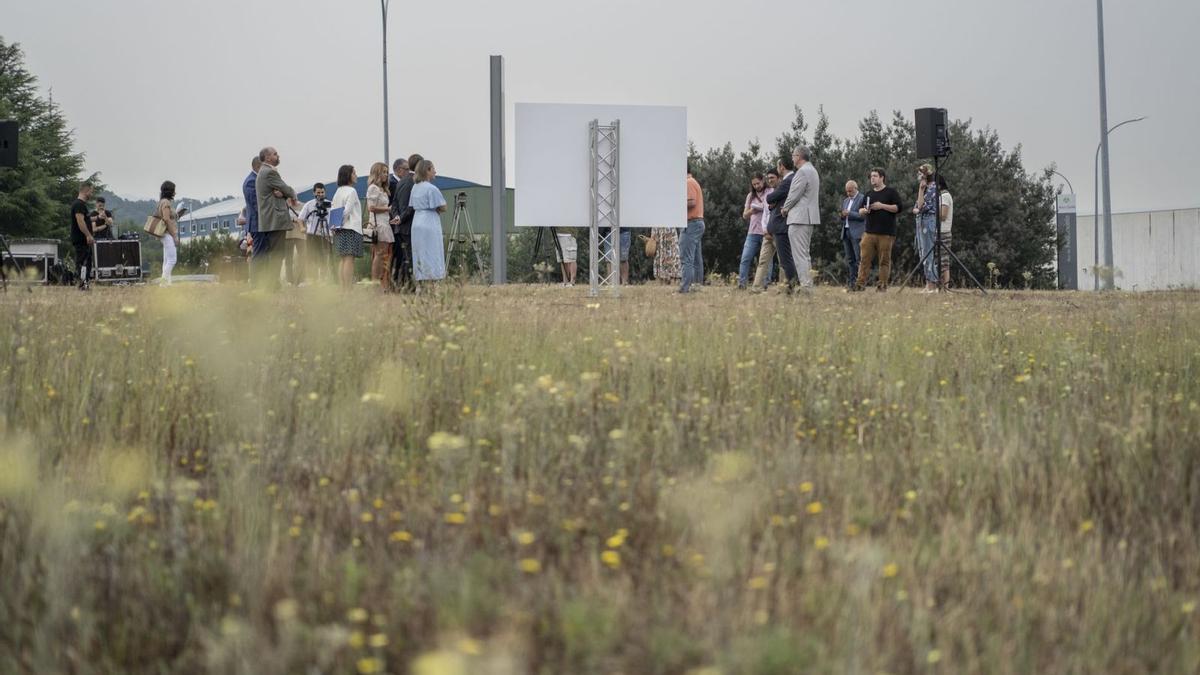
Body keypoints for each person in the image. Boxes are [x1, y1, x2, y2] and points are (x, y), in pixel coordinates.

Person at [254, 147, 300, 290]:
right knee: (277, 253)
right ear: (267, 158)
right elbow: (285, 188)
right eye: (275, 154)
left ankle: (270, 284)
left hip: (268, 220)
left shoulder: (262, 172)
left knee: (272, 252)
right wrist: (291, 194)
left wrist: (283, 194)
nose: (278, 156)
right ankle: (272, 285)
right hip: (275, 219)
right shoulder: (270, 172)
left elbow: (281, 191)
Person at [855, 168, 903, 292]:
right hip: (869, 232)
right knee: (864, 259)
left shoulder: (891, 192)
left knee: (884, 261)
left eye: (875, 176)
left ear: (882, 177)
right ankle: (860, 285)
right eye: (871, 176)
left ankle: (882, 286)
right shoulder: (868, 194)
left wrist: (882, 206)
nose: (872, 178)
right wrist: (863, 211)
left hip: (886, 234)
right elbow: (860, 210)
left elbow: (898, 208)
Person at [781, 146, 821, 288]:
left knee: (799, 255)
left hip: (799, 218)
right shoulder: (813, 171)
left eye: (793, 155)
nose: (792, 158)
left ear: (799, 156)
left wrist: (785, 208)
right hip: (809, 217)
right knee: (805, 254)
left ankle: (806, 286)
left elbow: (794, 194)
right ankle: (807, 285)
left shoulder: (802, 172)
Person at [409, 159, 448, 283]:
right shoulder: (431, 188)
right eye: (433, 169)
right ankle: (432, 278)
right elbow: (443, 207)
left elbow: (411, 205)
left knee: (420, 251)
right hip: (429, 221)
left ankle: (420, 278)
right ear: (427, 170)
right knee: (433, 250)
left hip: (417, 221)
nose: (435, 171)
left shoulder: (415, 187)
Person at [765, 157, 798, 289]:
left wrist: (772, 200)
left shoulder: (787, 181)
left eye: (778, 167)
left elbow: (770, 198)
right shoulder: (793, 179)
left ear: (782, 167)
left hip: (781, 226)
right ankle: (793, 285)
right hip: (783, 225)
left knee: (786, 260)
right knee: (787, 259)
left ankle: (792, 286)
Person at [390, 153, 421, 290]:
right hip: (409, 225)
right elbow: (412, 205)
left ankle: (399, 284)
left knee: (404, 257)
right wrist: (401, 218)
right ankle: (409, 287)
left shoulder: (401, 181)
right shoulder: (414, 182)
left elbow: (395, 203)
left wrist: (397, 217)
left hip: (400, 226)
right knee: (410, 257)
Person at [330, 165, 363, 291]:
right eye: (354, 173)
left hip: (338, 228)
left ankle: (343, 288)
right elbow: (347, 210)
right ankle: (348, 289)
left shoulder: (338, 191)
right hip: (350, 228)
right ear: (348, 175)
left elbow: (334, 209)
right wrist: (341, 221)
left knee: (343, 259)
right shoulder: (352, 191)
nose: (356, 176)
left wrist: (335, 224)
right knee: (349, 259)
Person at [737, 173, 770, 289]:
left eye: (758, 183)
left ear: (763, 181)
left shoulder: (770, 192)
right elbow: (744, 215)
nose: (756, 186)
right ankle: (742, 284)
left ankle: (765, 285)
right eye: (754, 184)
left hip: (767, 231)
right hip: (753, 231)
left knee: (766, 261)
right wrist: (752, 211)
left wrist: (763, 206)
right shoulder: (750, 196)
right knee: (745, 258)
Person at [367, 162, 394, 292]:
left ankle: (383, 283)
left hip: (385, 223)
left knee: (384, 255)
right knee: (379, 254)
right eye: (383, 172)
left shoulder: (383, 189)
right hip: (378, 225)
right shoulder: (373, 188)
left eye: (387, 172)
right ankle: (375, 284)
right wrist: (387, 209)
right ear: (377, 173)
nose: (386, 175)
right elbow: (371, 208)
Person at [911, 163, 939, 292]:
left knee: (928, 252)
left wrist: (921, 190)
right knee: (923, 253)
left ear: (926, 174)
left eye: (921, 172)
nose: (918, 175)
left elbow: (920, 206)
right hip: (921, 221)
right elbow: (917, 206)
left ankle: (933, 284)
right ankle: (928, 284)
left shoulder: (933, 187)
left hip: (928, 221)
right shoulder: (924, 187)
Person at [298, 183, 333, 284]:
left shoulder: (330, 204)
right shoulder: (309, 204)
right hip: (312, 234)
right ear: (314, 193)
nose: (320, 194)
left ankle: (323, 279)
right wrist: (302, 227)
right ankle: (312, 279)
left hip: (326, 235)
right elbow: (300, 218)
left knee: (325, 257)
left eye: (322, 192)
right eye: (318, 192)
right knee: (311, 257)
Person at [753, 169, 780, 289]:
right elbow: (765, 214)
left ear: (779, 178)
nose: (770, 180)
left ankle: (783, 288)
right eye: (768, 178)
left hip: (779, 233)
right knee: (762, 261)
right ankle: (756, 287)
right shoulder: (768, 195)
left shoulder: (783, 192)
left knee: (783, 262)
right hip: (767, 234)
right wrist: (765, 230)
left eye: (772, 177)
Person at [679, 165, 705, 293]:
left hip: (691, 223)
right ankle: (697, 285)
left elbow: (691, 202)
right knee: (695, 258)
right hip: (698, 222)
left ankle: (685, 288)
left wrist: (676, 202)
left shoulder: (688, 182)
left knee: (686, 257)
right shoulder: (693, 182)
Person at [838, 180, 867, 290]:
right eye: (847, 191)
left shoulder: (862, 198)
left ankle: (860, 283)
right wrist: (842, 215)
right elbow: (842, 214)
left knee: (859, 258)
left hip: (857, 233)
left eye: (850, 191)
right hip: (846, 232)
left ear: (855, 188)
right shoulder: (845, 201)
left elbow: (863, 216)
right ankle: (851, 283)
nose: (848, 193)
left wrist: (849, 213)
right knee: (850, 260)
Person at [69, 182, 95, 290]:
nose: (91, 194)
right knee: (82, 264)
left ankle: (85, 284)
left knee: (87, 264)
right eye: (91, 191)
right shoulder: (78, 204)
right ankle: (82, 285)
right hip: (81, 240)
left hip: (84, 240)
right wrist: (88, 235)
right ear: (85, 190)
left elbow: (86, 220)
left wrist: (97, 219)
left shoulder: (81, 205)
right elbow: (80, 222)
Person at [155, 181, 180, 285]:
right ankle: (163, 283)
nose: (175, 192)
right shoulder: (166, 203)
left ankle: (167, 284)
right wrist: (174, 236)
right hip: (167, 234)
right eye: (174, 190)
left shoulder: (162, 201)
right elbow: (166, 219)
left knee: (166, 260)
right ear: (170, 191)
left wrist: (177, 214)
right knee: (172, 260)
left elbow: (167, 217)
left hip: (164, 235)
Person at [242, 157, 263, 259]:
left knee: (263, 255)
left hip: (261, 224)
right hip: (257, 224)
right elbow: (256, 204)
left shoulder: (257, 180)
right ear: (259, 167)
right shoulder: (251, 181)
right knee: (259, 256)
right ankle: (257, 276)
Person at [935, 173, 954, 287]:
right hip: (938, 232)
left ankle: (945, 287)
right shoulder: (940, 196)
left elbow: (943, 215)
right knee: (938, 262)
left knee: (944, 262)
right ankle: (940, 285)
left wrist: (932, 211)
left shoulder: (945, 196)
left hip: (944, 232)